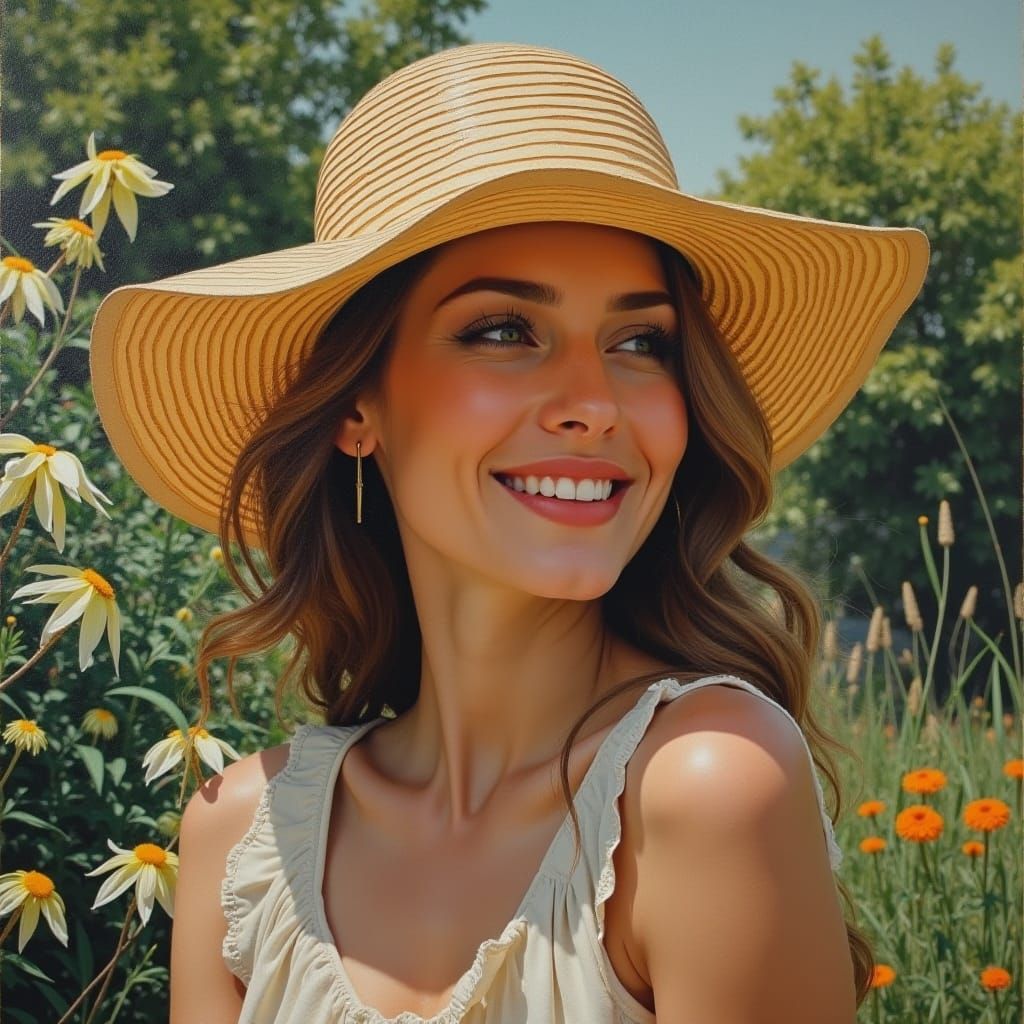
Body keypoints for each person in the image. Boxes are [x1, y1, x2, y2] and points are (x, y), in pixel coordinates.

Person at [89, 41, 929, 1024]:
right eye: (503, 329)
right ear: (358, 404)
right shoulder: (241, 833)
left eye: (639, 342)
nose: (593, 404)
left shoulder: (706, 786)